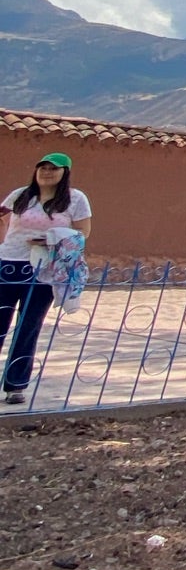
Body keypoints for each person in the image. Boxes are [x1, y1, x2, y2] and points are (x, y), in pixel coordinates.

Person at [0, 152, 92, 405]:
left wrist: (53, 238)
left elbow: (83, 232)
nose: (47, 172)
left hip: (43, 269)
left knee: (27, 327)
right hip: (8, 264)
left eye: (54, 168)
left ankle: (15, 385)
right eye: (43, 167)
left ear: (65, 173)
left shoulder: (75, 199)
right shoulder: (20, 195)